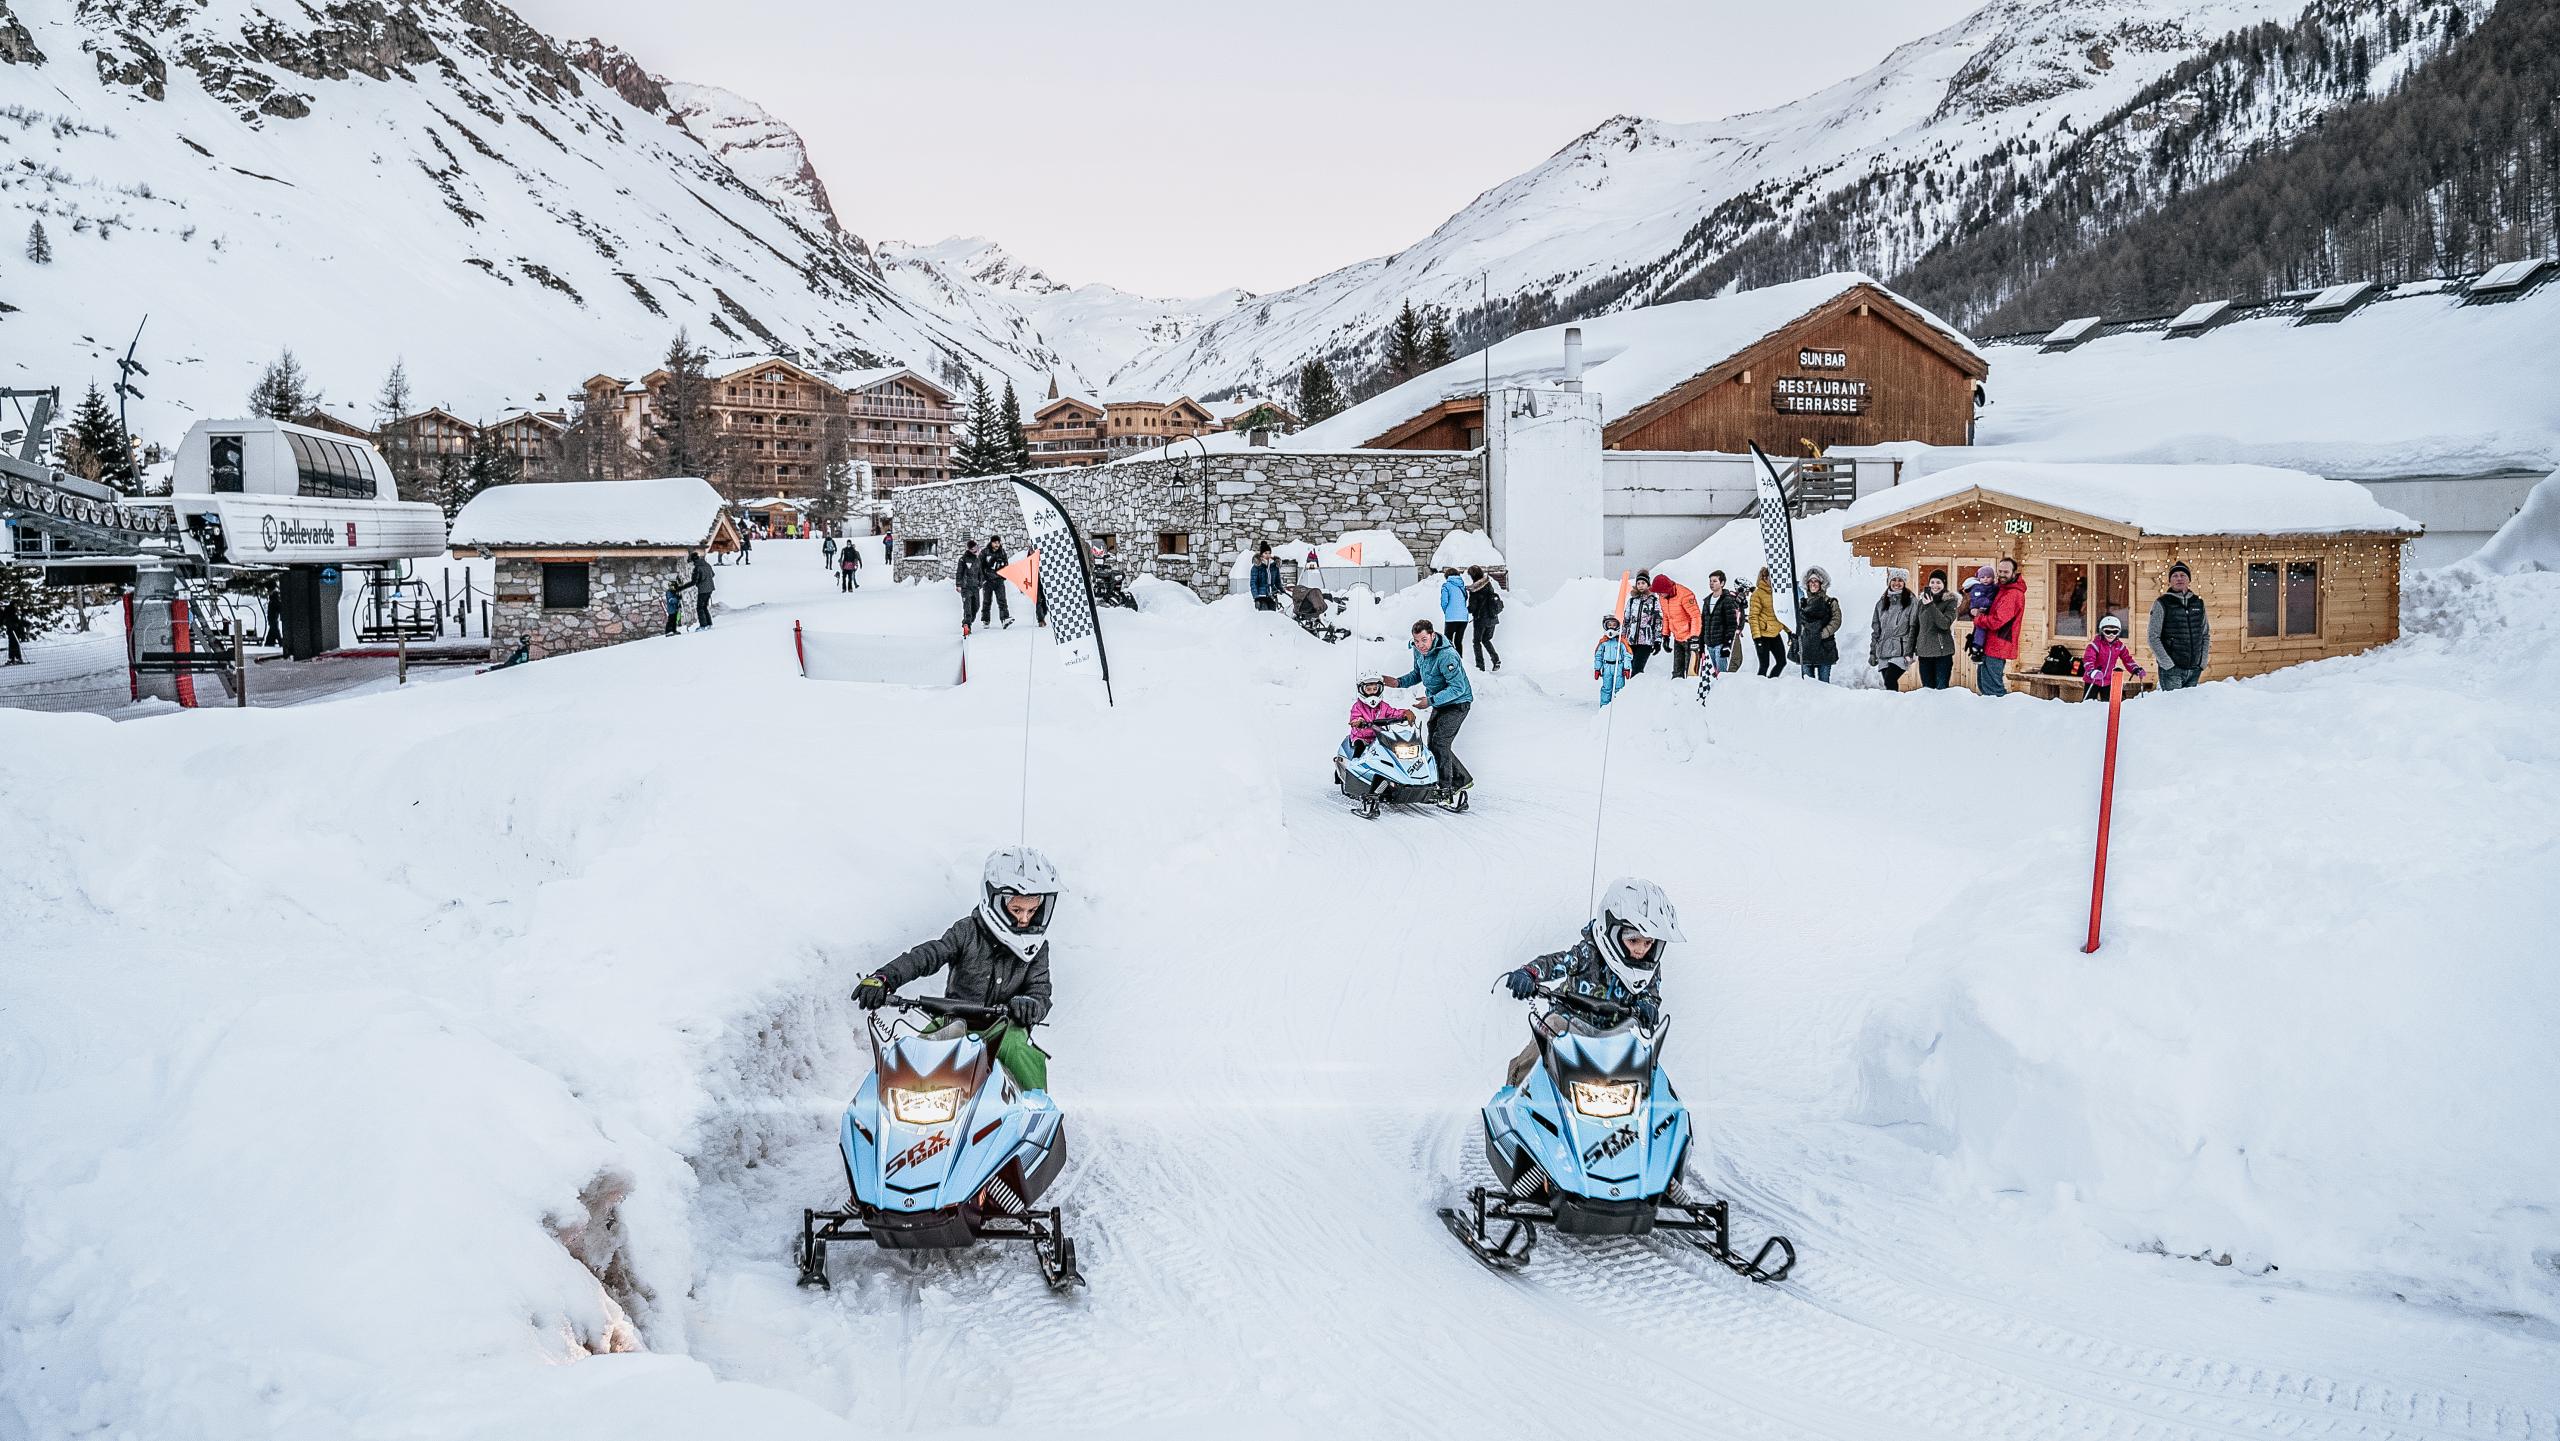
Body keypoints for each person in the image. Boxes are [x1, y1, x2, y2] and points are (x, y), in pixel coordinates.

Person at [855, 848, 1060, 1093]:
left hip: (1005, 1029)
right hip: (953, 1021)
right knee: (911, 1058)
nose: (1025, 919)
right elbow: (928, 955)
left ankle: (1037, 1118)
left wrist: (1030, 1005)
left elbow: (1040, 991)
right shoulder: (966, 931)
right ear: (993, 899)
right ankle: (884, 1120)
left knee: (1020, 1052)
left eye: (1032, 911)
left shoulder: (1037, 948)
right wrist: (884, 978)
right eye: (1017, 910)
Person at [1495, 877, 1683, 1086]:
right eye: (1633, 940)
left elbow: (1651, 993)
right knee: (1548, 1028)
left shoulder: (1649, 968)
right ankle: (1515, 1090)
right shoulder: (1588, 953)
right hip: (1571, 1027)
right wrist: (1529, 973)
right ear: (1611, 931)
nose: (1641, 949)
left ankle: (1653, 1107)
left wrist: (1648, 1005)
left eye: (1648, 943)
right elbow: (1558, 962)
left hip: (1617, 1034)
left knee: (1645, 1052)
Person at [1393, 620, 1474, 804]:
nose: (1420, 645)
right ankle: (1461, 779)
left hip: (1458, 703)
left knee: (1440, 742)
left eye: (1424, 640)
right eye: (1416, 641)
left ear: (1432, 635)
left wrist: (1429, 701)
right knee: (1432, 742)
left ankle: (1446, 789)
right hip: (1440, 702)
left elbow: (1458, 688)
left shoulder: (1447, 656)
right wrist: (1397, 682)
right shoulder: (1418, 650)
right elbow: (1417, 674)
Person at [2147, 561, 2210, 690]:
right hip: (2172, 671)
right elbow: (2153, 637)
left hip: (2194, 670)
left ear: (2189, 579)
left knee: (2190, 708)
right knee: (2173, 708)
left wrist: (2202, 662)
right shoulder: (2162, 603)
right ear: (2170, 581)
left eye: (2183, 575)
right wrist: (2168, 664)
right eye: (2175, 575)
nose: (2179, 578)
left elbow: (2205, 634)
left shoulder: (2198, 603)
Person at [1969, 557, 2026, 697]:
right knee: (1984, 685)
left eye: (2006, 572)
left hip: (1998, 645)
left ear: (2014, 573)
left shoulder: (2013, 594)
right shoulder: (2001, 588)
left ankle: (2000, 715)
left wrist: (1978, 618)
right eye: (1999, 571)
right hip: (1989, 644)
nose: (2001, 574)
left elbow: (1997, 621)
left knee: (1993, 689)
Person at [1337, 671, 1412, 765]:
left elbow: (1393, 713)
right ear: (1362, 690)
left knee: (1393, 751)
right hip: (1361, 737)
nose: (1372, 692)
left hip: (1379, 737)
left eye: (1375, 689)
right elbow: (1355, 717)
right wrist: (1359, 722)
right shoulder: (1357, 706)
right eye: (1368, 689)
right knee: (1359, 749)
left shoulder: (1383, 706)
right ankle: (1354, 768)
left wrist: (1404, 713)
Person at [1868, 568, 1919, 691]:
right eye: (1894, 580)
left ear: (1904, 582)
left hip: (1902, 649)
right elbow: (1876, 630)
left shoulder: (1911, 601)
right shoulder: (1881, 603)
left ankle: (1895, 706)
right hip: (1884, 649)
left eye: (1900, 580)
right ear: (1889, 582)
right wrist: (1873, 652)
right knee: (1888, 684)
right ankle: (1893, 708)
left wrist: (1912, 650)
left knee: (1890, 679)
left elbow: (1915, 626)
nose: (1897, 583)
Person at [1914, 569, 1960, 691]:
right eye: (1932, 582)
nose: (1935, 585)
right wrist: (1910, 650)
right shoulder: (1920, 603)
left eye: (1938, 582)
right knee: (1927, 689)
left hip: (1942, 653)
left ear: (1944, 584)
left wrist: (1930, 605)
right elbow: (1915, 627)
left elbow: (1944, 624)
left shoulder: (1950, 602)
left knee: (1941, 690)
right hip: (1924, 653)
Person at [2081, 614, 2146, 700]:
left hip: (2108, 681)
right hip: (2093, 679)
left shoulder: (2119, 646)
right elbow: (2088, 659)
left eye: (2115, 632)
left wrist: (2135, 669)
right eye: (2107, 632)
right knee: (2089, 704)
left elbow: (2127, 659)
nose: (2111, 635)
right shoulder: (2095, 645)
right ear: (2102, 632)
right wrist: (2092, 671)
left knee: (2108, 705)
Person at [1651, 573, 1701, 678]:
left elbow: (1696, 616)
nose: (1659, 595)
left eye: (1660, 592)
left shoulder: (1685, 595)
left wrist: (1695, 637)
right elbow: (1666, 616)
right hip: (1678, 638)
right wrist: (1665, 635)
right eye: (1657, 593)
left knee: (1691, 671)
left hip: (1690, 639)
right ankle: (1676, 691)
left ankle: (1691, 692)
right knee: (1677, 671)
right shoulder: (1663, 598)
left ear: (1667, 589)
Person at [1797, 567, 1841, 683]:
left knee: (1824, 685)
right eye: (1811, 582)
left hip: (1825, 648)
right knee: (1808, 686)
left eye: (1816, 581)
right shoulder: (1803, 603)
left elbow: (1836, 620)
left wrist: (1824, 633)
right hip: (1806, 649)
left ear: (1822, 583)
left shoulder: (1831, 602)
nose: (1813, 584)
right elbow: (1798, 622)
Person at [1701, 570, 1744, 677]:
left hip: (1720, 643)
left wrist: (1727, 644)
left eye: (1715, 581)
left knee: (1722, 675)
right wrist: (1701, 643)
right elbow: (1703, 623)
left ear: (1722, 583)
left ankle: (1722, 692)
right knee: (1712, 674)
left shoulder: (1727, 600)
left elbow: (1732, 624)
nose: (1711, 583)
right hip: (1709, 643)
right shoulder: (1707, 601)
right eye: (1710, 581)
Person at [1622, 570, 1665, 674]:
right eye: (1638, 583)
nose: (1641, 585)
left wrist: (1657, 640)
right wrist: (1622, 638)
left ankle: (1636, 688)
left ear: (1648, 584)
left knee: (1637, 669)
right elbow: (1626, 620)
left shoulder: (1653, 601)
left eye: (1643, 583)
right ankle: (1630, 689)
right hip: (1631, 641)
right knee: (1630, 668)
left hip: (1646, 641)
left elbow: (1658, 622)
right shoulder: (1631, 601)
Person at [1747, 566, 1786, 678]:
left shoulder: (1778, 592)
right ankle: (1759, 688)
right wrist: (1757, 637)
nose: (1773, 580)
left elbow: (1782, 613)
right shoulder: (1757, 594)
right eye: (1771, 577)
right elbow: (1753, 616)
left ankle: (1771, 683)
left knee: (1782, 662)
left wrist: (1789, 631)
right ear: (1764, 577)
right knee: (1764, 665)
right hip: (1762, 635)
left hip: (1775, 634)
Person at [1465, 565, 1504, 671]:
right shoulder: (1488, 584)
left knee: (1477, 642)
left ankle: (1480, 666)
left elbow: (1472, 608)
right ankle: (1495, 659)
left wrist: (1464, 608)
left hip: (1481, 620)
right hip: (1493, 618)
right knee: (1486, 639)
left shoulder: (1475, 590)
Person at [1593, 615, 1632, 705]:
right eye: (1609, 624)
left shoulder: (1621, 641)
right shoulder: (1603, 641)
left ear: (1618, 626)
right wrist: (1597, 668)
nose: (1611, 627)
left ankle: (1617, 707)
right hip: (1607, 667)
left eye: (1614, 624)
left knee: (1619, 688)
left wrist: (1626, 667)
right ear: (1605, 625)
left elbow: (1627, 654)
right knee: (1606, 688)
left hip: (1619, 667)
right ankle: (1604, 707)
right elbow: (1598, 655)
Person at [1962, 565, 1998, 659]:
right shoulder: (1977, 588)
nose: (1985, 579)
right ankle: (1976, 647)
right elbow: (1978, 600)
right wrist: (1990, 603)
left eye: (1988, 577)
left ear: (1993, 578)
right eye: (1982, 577)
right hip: (1981, 612)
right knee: (1980, 630)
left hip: (1988, 615)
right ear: (1979, 579)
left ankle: (1979, 648)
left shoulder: (1995, 587)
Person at [980, 535, 1014, 629]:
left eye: (998, 542)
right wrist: (983, 579)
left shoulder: (1002, 552)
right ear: (991, 543)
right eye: (995, 542)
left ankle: (1005, 619)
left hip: (999, 581)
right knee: (987, 601)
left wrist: (1003, 576)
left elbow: (1006, 565)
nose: (997, 544)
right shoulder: (985, 552)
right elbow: (979, 566)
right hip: (988, 581)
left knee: (1002, 600)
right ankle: (986, 620)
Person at [954, 538, 986, 637]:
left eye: (976, 547)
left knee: (976, 607)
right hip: (965, 587)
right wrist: (958, 584)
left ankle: (968, 622)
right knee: (967, 607)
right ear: (969, 550)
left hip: (975, 587)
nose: (975, 550)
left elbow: (980, 572)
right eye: (973, 549)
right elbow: (959, 572)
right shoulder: (963, 559)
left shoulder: (978, 559)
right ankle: (967, 625)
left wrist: (981, 583)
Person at [1438, 567, 1472, 656]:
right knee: (1458, 642)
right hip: (1463, 618)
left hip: (1451, 618)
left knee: (1447, 641)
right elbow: (1464, 600)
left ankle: (1449, 661)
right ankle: (1459, 661)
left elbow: (1444, 602)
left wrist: (1447, 611)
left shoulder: (1446, 586)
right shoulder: (1462, 586)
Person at [686, 548, 716, 629]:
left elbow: (694, 581)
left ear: (694, 560)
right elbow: (713, 574)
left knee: (700, 607)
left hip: (703, 589)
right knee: (704, 606)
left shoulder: (697, 568)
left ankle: (703, 625)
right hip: (710, 588)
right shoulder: (707, 564)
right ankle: (709, 623)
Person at [1249, 544, 1283, 612]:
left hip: (1272, 595)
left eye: (1269, 553)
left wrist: (1281, 589)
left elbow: (1277, 581)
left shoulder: (1274, 566)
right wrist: (1256, 598)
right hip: (1261, 596)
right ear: (1261, 554)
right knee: (1264, 616)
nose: (1267, 555)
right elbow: (1253, 583)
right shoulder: (1256, 567)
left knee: (1272, 615)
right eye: (1265, 553)